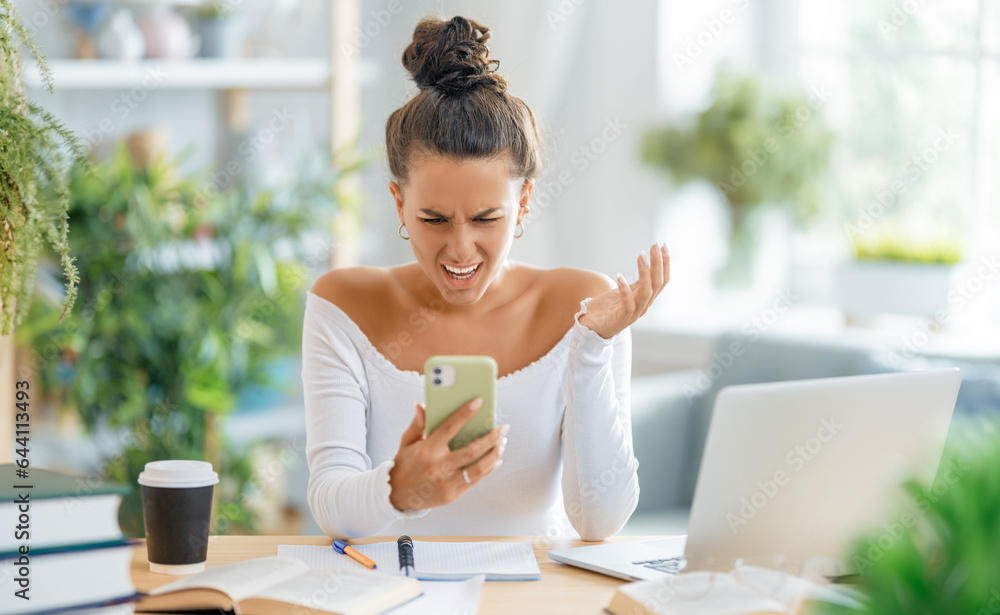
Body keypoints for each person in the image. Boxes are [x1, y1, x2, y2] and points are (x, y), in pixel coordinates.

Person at [303, 15, 669, 541]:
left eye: (485, 219)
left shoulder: (587, 306)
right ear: (399, 203)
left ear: (522, 204)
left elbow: (599, 521)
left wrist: (590, 348)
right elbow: (331, 506)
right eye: (433, 219)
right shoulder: (344, 303)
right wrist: (399, 488)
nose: (459, 249)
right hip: (393, 595)